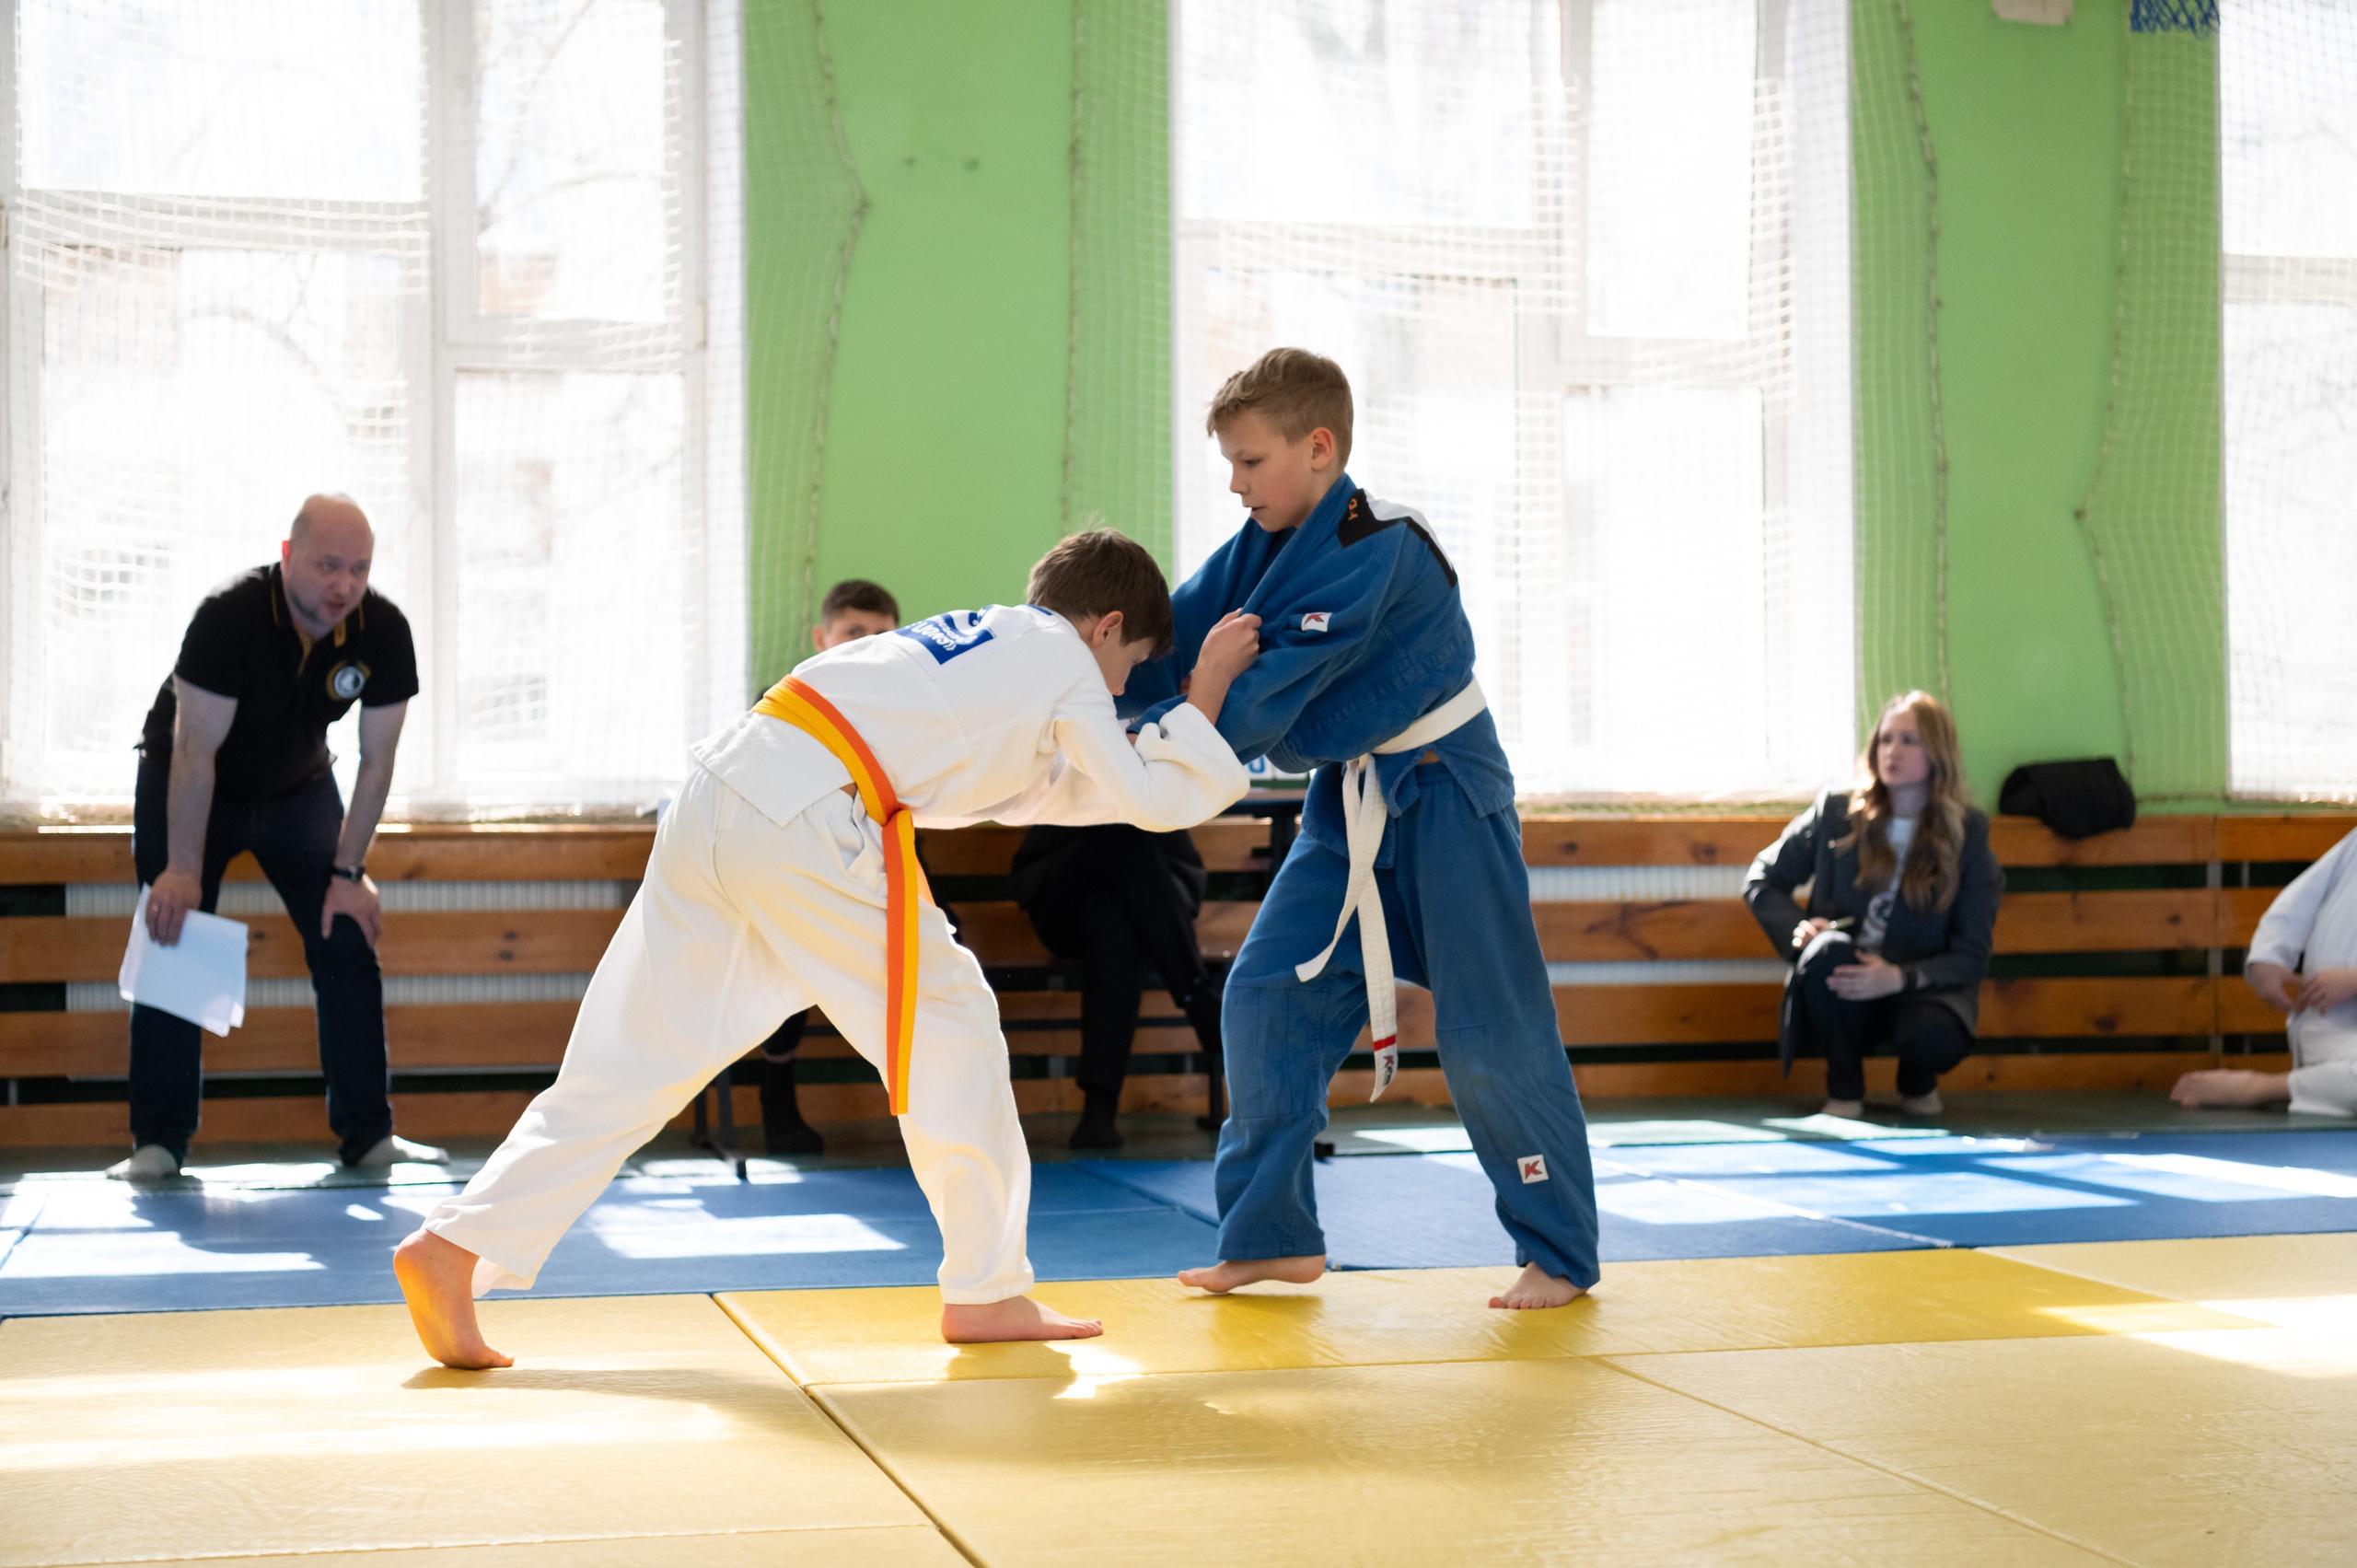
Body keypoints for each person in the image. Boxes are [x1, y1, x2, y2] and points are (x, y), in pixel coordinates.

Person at [391, 531, 1262, 1367]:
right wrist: (1209, 690)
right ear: (1106, 627)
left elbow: (1049, 791)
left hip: (724, 787)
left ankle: (457, 1244)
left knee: (632, 1060)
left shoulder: (986, 646)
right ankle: (989, 1287)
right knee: (954, 1027)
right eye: (1128, 665)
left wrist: (1152, 742)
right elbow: (1147, 799)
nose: (1119, 689)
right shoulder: (1064, 658)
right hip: (810, 812)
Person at [1128, 347, 1601, 1312]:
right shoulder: (1264, 541)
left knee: (1487, 1027)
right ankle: (1270, 1236)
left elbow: (1253, 713)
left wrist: (1202, 688)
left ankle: (1557, 1249)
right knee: (1264, 995)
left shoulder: (1380, 543)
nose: (1235, 483)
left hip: (1445, 794)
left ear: (1318, 447)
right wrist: (1077, 677)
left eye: (1249, 461)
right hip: (1348, 801)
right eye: (1228, 462)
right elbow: (1175, 635)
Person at [110, 494, 442, 1180]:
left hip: (296, 785)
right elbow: (195, 751)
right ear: (289, 556)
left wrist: (348, 873)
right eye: (328, 565)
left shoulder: (382, 630)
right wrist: (182, 868)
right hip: (192, 780)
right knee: (175, 932)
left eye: (358, 568)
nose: (343, 585)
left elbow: (377, 760)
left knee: (346, 929)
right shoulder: (228, 616)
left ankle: (368, 1134)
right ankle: (159, 1142)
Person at [1744, 691, 2003, 1120]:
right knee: (1826, 953)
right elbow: (1762, 878)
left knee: (1934, 1032)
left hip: (1917, 993)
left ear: (1938, 754)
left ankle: (1917, 1085)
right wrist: (1799, 931)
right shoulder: (1837, 811)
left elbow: (1971, 955)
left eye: (1908, 740)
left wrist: (1898, 978)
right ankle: (1843, 1093)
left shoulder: (1968, 832)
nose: (1891, 751)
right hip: (1843, 989)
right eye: (1885, 739)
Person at [754, 577, 905, 1156]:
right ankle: (775, 1089)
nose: (866, 645)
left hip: (880, 873)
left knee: (941, 944)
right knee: (796, 948)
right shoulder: (781, 706)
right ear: (821, 638)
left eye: (880, 635)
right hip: (798, 875)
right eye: (853, 632)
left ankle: (928, 1104)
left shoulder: (902, 712)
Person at [1011, 822, 1222, 1148]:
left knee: (1111, 917)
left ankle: (1098, 1113)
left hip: (1151, 894)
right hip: (1064, 892)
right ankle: (1197, 996)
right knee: (1120, 834)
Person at [2171, 826, 2357, 1117]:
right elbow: (2305, 894)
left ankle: (2258, 1088)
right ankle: (2312, 1085)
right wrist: (2269, 955)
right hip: (2329, 1031)